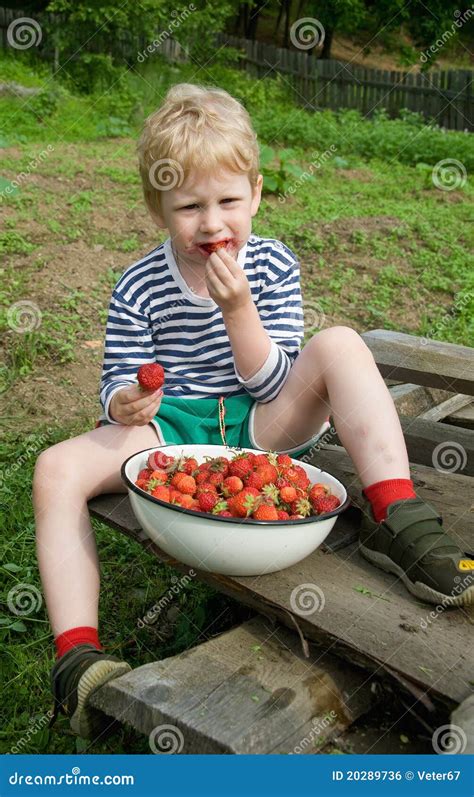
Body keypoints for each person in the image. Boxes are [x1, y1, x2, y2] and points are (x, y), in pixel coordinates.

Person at [33, 82, 473, 741]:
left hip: (263, 421)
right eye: (189, 206)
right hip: (171, 432)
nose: (211, 224)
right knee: (54, 469)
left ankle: (396, 516)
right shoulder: (139, 284)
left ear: (257, 194)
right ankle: (79, 659)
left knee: (341, 345)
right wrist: (128, 399)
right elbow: (116, 387)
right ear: (159, 207)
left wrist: (239, 310)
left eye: (228, 202)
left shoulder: (270, 265)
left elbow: (272, 382)